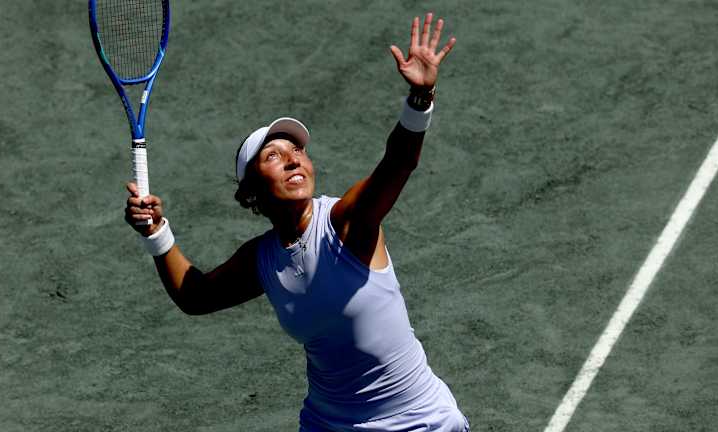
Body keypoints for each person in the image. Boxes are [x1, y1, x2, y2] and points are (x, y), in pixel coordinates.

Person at [124, 12, 466, 432]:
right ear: (251, 192)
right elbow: (196, 296)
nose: (291, 159)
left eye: (296, 151)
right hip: (330, 424)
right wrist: (156, 232)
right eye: (273, 156)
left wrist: (420, 99)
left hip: (419, 422)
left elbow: (398, 162)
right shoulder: (263, 260)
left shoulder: (346, 222)